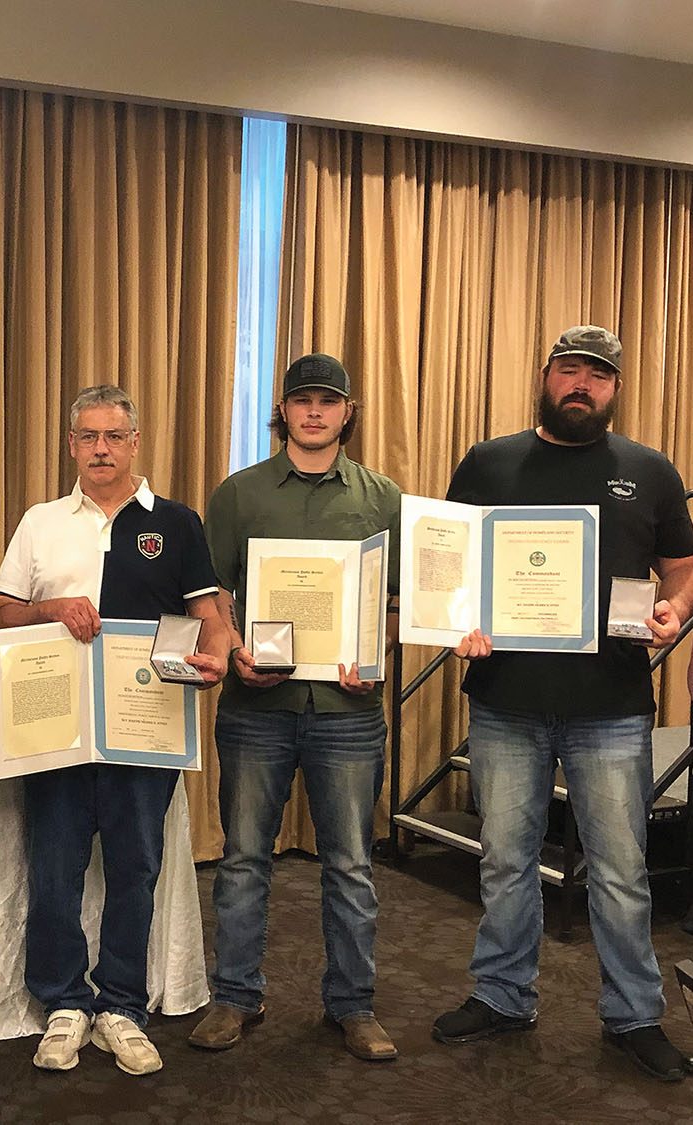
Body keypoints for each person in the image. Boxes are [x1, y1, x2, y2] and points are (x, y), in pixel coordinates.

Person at [432, 325, 693, 1081]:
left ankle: (634, 1014)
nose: (582, 385)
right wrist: (455, 621)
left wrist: (676, 609)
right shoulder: (489, 461)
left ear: (615, 389)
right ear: (545, 375)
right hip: (505, 699)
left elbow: (680, 571)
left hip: (610, 705)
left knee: (619, 869)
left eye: (598, 376)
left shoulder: (650, 471)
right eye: (570, 370)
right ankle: (504, 994)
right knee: (507, 860)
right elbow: (449, 568)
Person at [0, 384, 228, 1076]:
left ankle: (122, 1004)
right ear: (71, 444)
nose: (100, 448)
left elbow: (207, 613)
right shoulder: (40, 523)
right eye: (87, 436)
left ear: (134, 441)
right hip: (55, 730)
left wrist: (217, 652)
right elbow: (1, 613)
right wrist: (50, 608)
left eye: (113, 435)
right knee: (55, 871)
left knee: (135, 870)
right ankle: (63, 1003)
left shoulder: (176, 523)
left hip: (144, 729)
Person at [191, 353, 401, 1062]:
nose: (314, 412)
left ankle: (353, 1005)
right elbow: (212, 594)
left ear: (348, 411)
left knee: (350, 864)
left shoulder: (383, 498)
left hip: (348, 712)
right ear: (282, 410)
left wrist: (378, 656)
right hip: (257, 705)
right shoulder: (240, 494)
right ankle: (234, 997)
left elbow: (396, 602)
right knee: (245, 858)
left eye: (328, 401)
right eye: (301, 401)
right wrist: (230, 646)